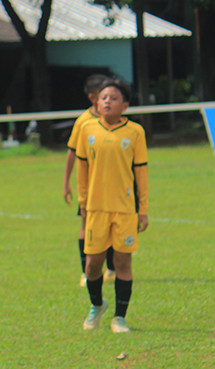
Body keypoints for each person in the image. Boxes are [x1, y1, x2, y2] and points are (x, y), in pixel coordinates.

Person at [75, 80, 148, 334]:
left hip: (125, 209)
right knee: (93, 264)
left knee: (122, 262)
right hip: (96, 209)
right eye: (104, 97)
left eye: (113, 98)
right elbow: (82, 169)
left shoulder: (135, 132)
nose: (107, 101)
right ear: (96, 102)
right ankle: (97, 305)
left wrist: (144, 209)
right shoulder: (87, 129)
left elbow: (141, 174)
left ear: (125, 105)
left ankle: (120, 318)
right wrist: (83, 203)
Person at [63, 73, 115, 287]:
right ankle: (87, 272)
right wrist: (66, 183)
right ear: (94, 97)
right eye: (105, 95)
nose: (109, 100)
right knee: (88, 226)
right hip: (91, 187)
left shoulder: (114, 119)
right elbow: (72, 153)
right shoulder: (84, 122)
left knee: (114, 225)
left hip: (114, 185)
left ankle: (111, 268)